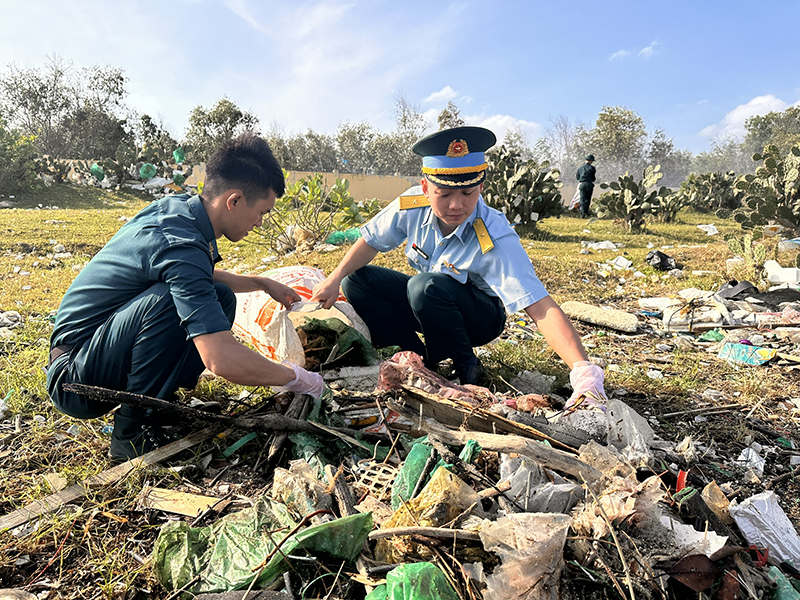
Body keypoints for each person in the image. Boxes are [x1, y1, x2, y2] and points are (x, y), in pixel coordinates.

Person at [46, 133, 324, 461]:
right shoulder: (182, 242)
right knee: (168, 302)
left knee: (219, 296)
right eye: (261, 211)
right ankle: (133, 434)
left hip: (96, 352)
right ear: (234, 200)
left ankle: (159, 405)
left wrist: (262, 283)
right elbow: (220, 359)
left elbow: (193, 276)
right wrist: (298, 378)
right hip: (75, 375)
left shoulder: (180, 213)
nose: (259, 223)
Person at [311, 126, 605, 403]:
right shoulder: (410, 206)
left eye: (468, 193)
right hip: (430, 303)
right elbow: (372, 241)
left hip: (479, 317)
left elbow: (539, 305)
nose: (457, 205)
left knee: (423, 286)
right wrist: (335, 277)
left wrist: (583, 371)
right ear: (426, 188)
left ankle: (467, 365)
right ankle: (416, 358)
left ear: (481, 187)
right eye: (445, 194)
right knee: (357, 281)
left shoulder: (493, 233)